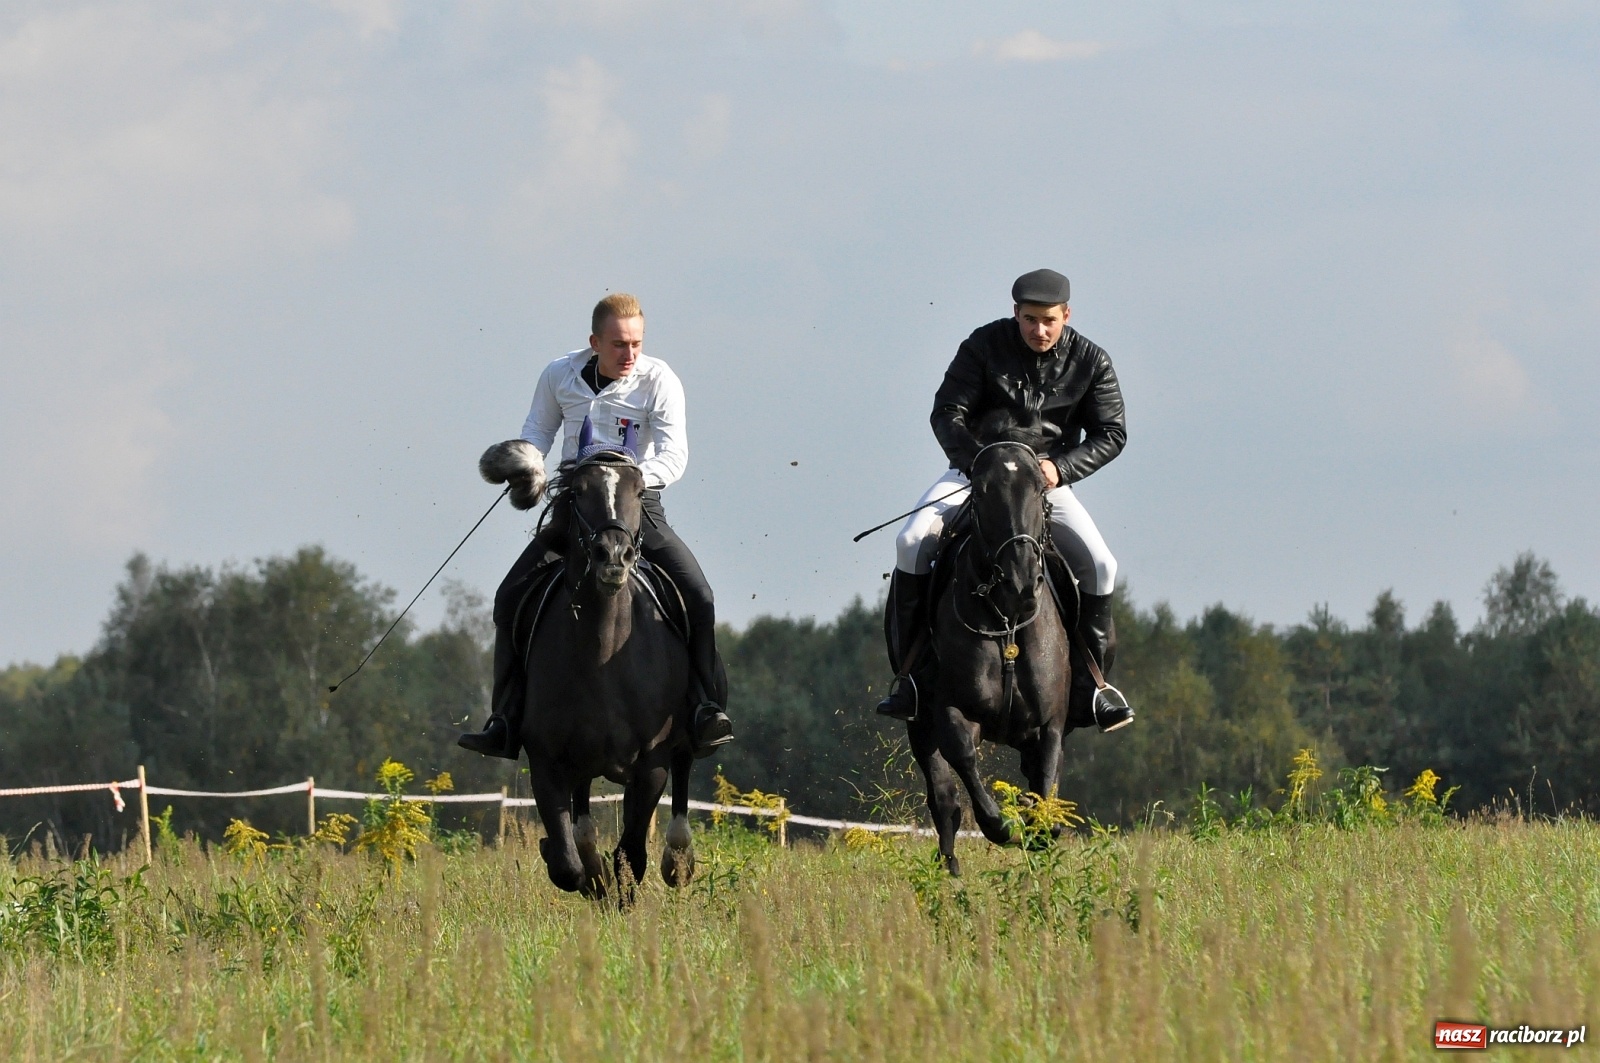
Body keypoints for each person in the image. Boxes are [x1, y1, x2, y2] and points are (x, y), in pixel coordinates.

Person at [457, 292, 734, 758]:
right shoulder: (558, 374)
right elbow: (537, 433)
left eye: (636, 343)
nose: (630, 354)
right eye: (619, 344)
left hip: (637, 507)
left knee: (699, 596)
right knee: (508, 598)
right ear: (595, 342)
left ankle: (705, 708)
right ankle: (504, 719)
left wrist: (628, 477)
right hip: (575, 510)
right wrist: (528, 465)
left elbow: (674, 455)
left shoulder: (659, 379)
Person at [876, 268, 1134, 732]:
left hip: (1046, 484)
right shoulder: (982, 345)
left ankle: (1092, 688)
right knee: (910, 542)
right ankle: (911, 677)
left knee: (1102, 565)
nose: (1040, 330)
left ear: (1067, 315)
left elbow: (1111, 433)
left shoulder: (1092, 361)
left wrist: (1061, 468)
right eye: (1030, 319)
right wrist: (978, 463)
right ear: (1016, 313)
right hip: (975, 474)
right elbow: (947, 412)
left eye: (1049, 320)